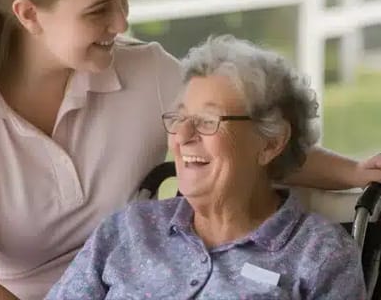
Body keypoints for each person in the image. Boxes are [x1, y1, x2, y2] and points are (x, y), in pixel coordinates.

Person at [0, 0, 381, 300]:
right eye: (98, 10)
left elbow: (238, 136)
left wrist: (353, 173)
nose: (120, 23)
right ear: (29, 15)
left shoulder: (145, 71)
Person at [45, 35, 366, 299]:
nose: (182, 136)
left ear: (269, 143)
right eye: (179, 117)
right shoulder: (129, 229)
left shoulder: (318, 253)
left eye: (208, 121)